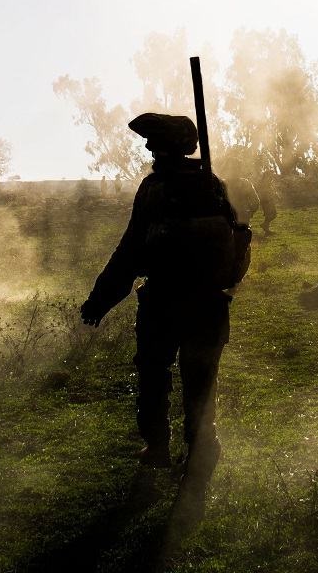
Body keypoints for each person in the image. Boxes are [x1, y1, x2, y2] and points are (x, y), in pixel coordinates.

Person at [79, 113, 239, 475]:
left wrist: (100, 300)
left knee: (154, 375)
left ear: (168, 148)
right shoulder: (212, 183)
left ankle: (157, 448)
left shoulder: (155, 188)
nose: (149, 148)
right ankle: (201, 447)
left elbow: (130, 250)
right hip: (210, 304)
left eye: (154, 142)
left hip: (164, 302)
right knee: (200, 379)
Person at [256, 169, 278, 236]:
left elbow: (270, 190)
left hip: (269, 200)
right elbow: (262, 192)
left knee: (271, 214)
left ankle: (266, 229)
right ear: (267, 175)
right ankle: (265, 225)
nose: (272, 176)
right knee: (272, 214)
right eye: (271, 174)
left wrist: (275, 195)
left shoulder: (268, 181)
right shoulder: (264, 182)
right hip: (266, 201)